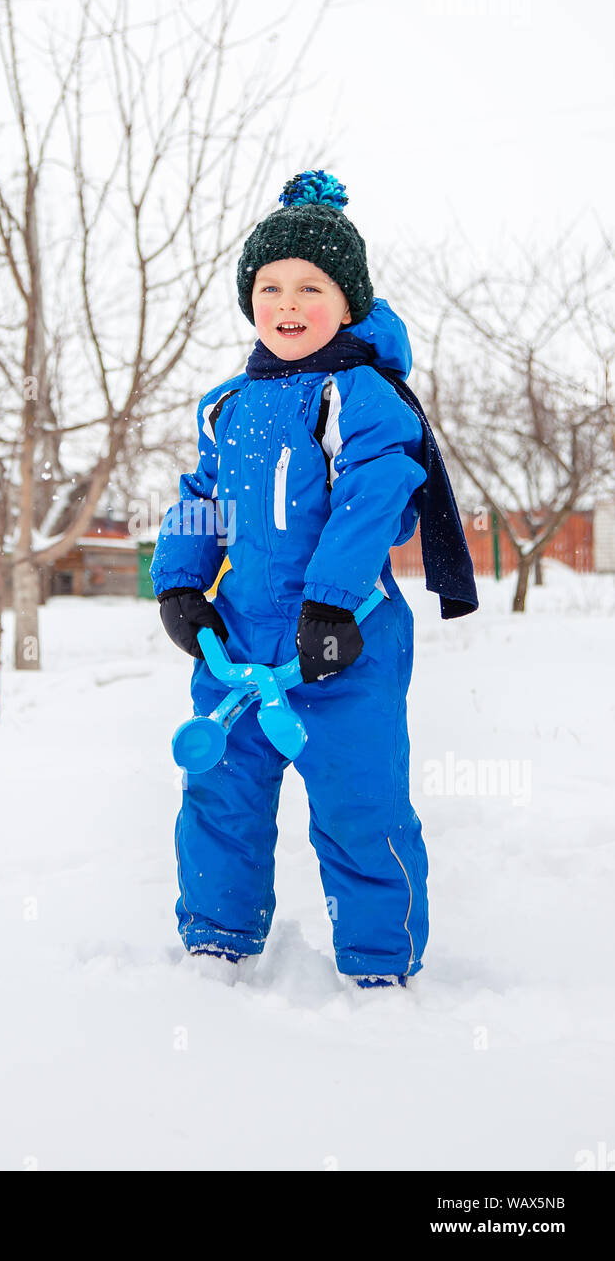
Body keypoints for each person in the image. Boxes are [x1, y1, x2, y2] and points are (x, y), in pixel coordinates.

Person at [150, 170, 478, 989]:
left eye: (310, 286)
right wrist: (182, 585)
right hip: (242, 646)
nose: (287, 303)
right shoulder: (230, 403)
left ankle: (378, 965)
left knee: (358, 804)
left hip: (344, 642)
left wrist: (331, 601)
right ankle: (217, 943)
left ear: (348, 299)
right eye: (269, 287)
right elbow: (203, 498)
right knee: (219, 797)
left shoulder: (362, 395)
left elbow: (375, 496)